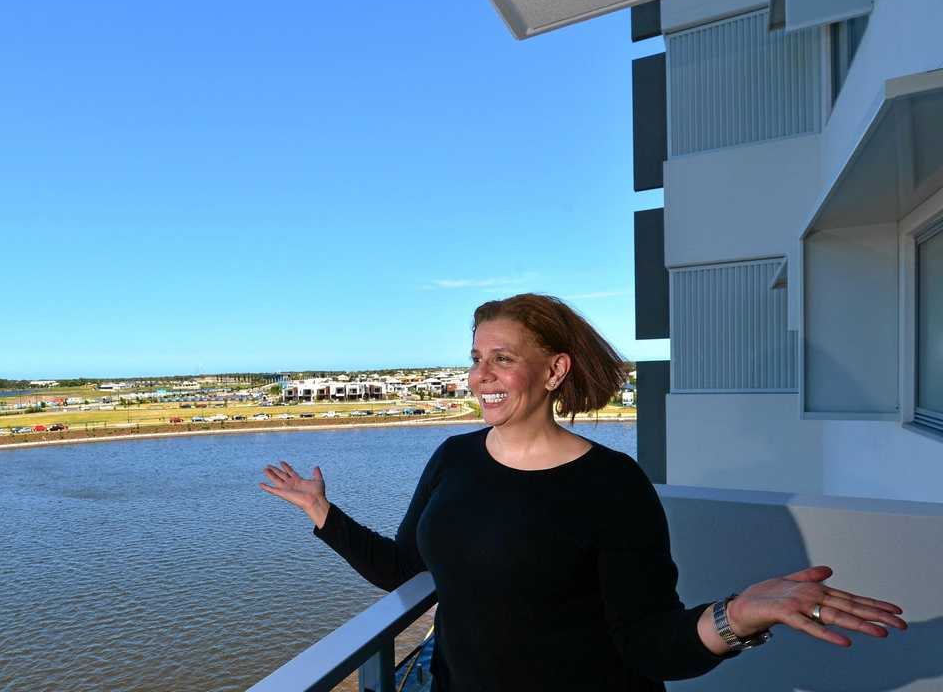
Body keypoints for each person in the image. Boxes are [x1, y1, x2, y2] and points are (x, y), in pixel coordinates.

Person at [259, 293, 907, 690]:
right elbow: (406, 571)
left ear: (554, 371)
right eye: (474, 357)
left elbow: (647, 642)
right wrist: (323, 513)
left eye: (501, 358)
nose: (479, 376)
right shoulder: (453, 457)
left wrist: (734, 616)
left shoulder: (611, 484)